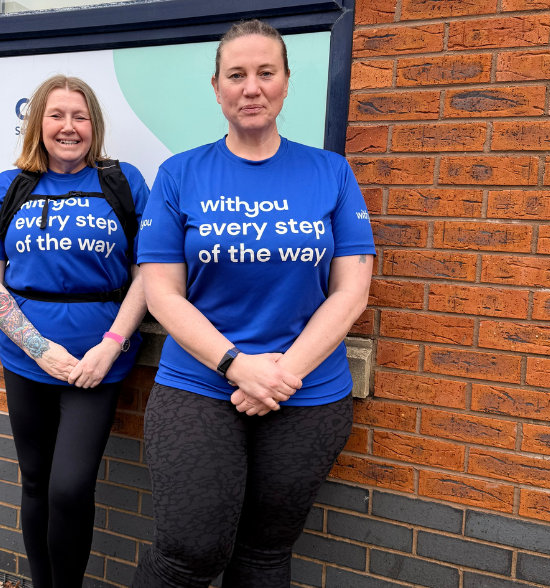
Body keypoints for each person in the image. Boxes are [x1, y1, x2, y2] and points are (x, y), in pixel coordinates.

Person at [132, 20, 376, 588]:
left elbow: (352, 290)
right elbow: (162, 292)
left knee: (266, 555)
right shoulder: (179, 174)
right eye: (237, 75)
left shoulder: (331, 172)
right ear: (216, 87)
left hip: (308, 391)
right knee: (186, 554)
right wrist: (238, 365)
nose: (251, 87)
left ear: (287, 83)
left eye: (266, 73)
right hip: (200, 384)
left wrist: (283, 374)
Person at [0, 75, 148, 588]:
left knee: (69, 488)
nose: (68, 127)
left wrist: (110, 347)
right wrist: (38, 347)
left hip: (98, 364)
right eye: (57, 115)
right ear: (38, 123)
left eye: (80, 116)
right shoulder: (11, 185)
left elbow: (149, 276)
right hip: (27, 361)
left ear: (93, 124)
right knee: (35, 482)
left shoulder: (122, 181)